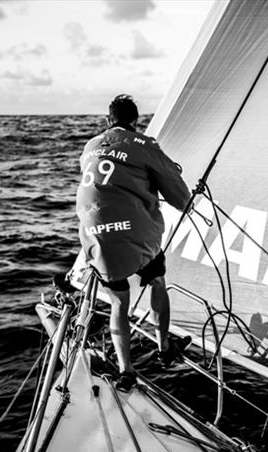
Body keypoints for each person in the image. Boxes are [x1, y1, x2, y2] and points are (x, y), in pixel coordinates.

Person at [77, 94, 192, 392]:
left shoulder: (89, 147)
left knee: (118, 302)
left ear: (107, 122)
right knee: (156, 281)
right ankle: (165, 347)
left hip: (96, 241)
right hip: (137, 236)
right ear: (136, 121)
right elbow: (181, 199)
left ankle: (126, 371)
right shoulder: (145, 145)